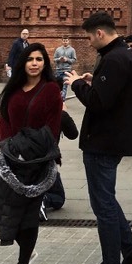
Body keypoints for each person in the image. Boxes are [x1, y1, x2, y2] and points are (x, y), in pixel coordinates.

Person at [64, 11, 132, 264]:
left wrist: (77, 83)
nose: (88, 42)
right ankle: (131, 252)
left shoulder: (113, 58)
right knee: (108, 201)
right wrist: (95, 80)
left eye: (89, 36)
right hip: (117, 140)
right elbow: (116, 92)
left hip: (103, 142)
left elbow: (98, 103)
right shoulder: (128, 55)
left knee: (104, 208)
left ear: (99, 33)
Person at [0, 43, 62, 264]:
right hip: (11, 161)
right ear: (22, 62)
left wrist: (39, 155)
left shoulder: (51, 90)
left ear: (45, 63)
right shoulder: (13, 91)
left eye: (39, 59)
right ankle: (28, 251)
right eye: (30, 59)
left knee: (28, 217)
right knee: (5, 214)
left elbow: (52, 128)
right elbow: (5, 122)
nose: (34, 63)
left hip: (36, 164)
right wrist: (6, 150)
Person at [41, 78, 79, 217]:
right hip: (47, 160)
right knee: (58, 198)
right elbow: (73, 134)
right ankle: (41, 201)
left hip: (22, 157)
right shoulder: (59, 114)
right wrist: (64, 112)